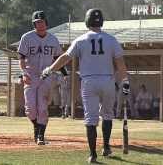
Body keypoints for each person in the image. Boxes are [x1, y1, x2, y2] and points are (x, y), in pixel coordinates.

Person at [41, 9, 130, 163]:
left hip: (89, 82)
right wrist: (125, 81)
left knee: (91, 118)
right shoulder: (111, 40)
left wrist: (49, 69)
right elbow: (120, 63)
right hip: (107, 81)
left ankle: (92, 154)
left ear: (87, 21)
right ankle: (107, 146)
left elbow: (65, 58)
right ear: (101, 21)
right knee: (107, 114)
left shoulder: (80, 40)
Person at [18, 10, 67, 145]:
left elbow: (58, 58)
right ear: (34, 24)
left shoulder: (53, 39)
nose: (40, 25)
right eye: (37, 22)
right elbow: (21, 57)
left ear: (46, 23)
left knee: (43, 107)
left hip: (46, 76)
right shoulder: (27, 37)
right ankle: (36, 126)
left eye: (42, 22)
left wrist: (65, 74)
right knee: (30, 109)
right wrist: (23, 72)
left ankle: (40, 135)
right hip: (30, 74)